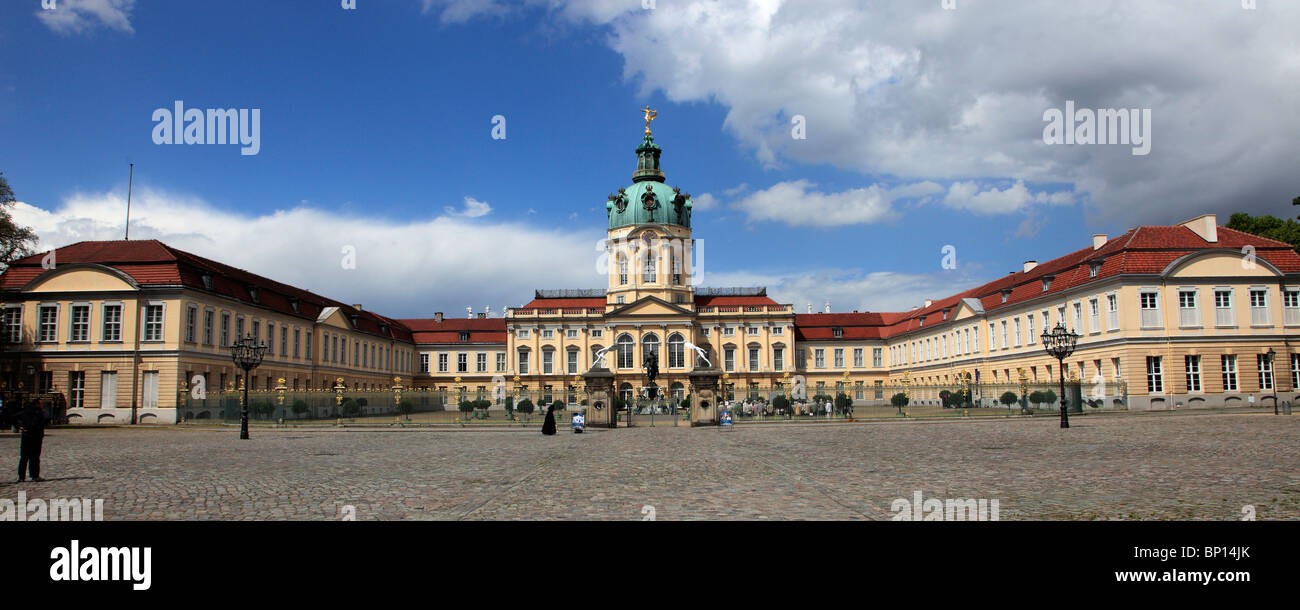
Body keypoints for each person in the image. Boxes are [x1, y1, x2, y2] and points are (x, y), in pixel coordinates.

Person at [16, 399, 49, 482]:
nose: (42, 405)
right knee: (34, 457)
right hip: (36, 436)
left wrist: (19, 426)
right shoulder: (39, 412)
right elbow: (47, 418)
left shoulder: (25, 411)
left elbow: (13, 417)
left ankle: (21, 477)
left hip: (26, 436)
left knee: (24, 457)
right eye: (41, 404)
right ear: (37, 404)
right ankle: (34, 476)